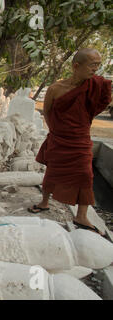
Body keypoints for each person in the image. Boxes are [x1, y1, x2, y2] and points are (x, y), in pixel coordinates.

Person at [28, 48, 111, 236]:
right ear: (76, 66)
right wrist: (55, 131)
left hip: (80, 139)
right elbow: (48, 112)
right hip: (59, 138)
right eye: (92, 65)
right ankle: (44, 202)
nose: (96, 70)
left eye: (98, 65)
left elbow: (101, 103)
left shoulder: (94, 86)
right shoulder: (56, 89)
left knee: (86, 174)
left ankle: (81, 215)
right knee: (52, 171)